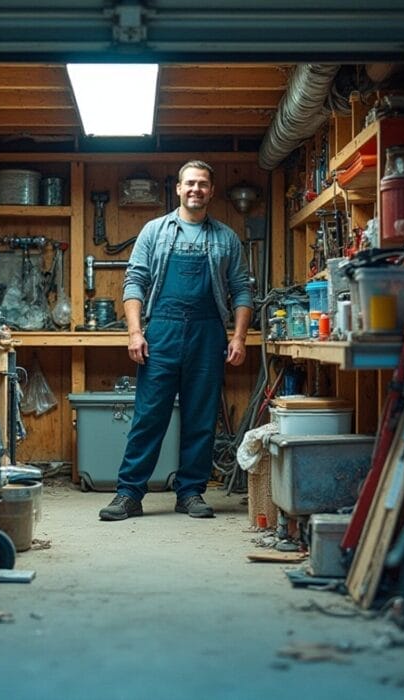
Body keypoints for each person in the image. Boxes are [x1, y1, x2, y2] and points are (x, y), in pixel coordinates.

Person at [99, 160, 254, 521]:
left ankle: (190, 492)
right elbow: (134, 282)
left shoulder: (226, 238)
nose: (195, 189)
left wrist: (240, 337)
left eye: (202, 184)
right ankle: (129, 494)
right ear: (179, 189)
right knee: (149, 416)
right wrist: (135, 332)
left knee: (201, 417)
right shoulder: (154, 231)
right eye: (190, 183)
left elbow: (242, 291)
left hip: (207, 331)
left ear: (211, 191)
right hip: (162, 331)